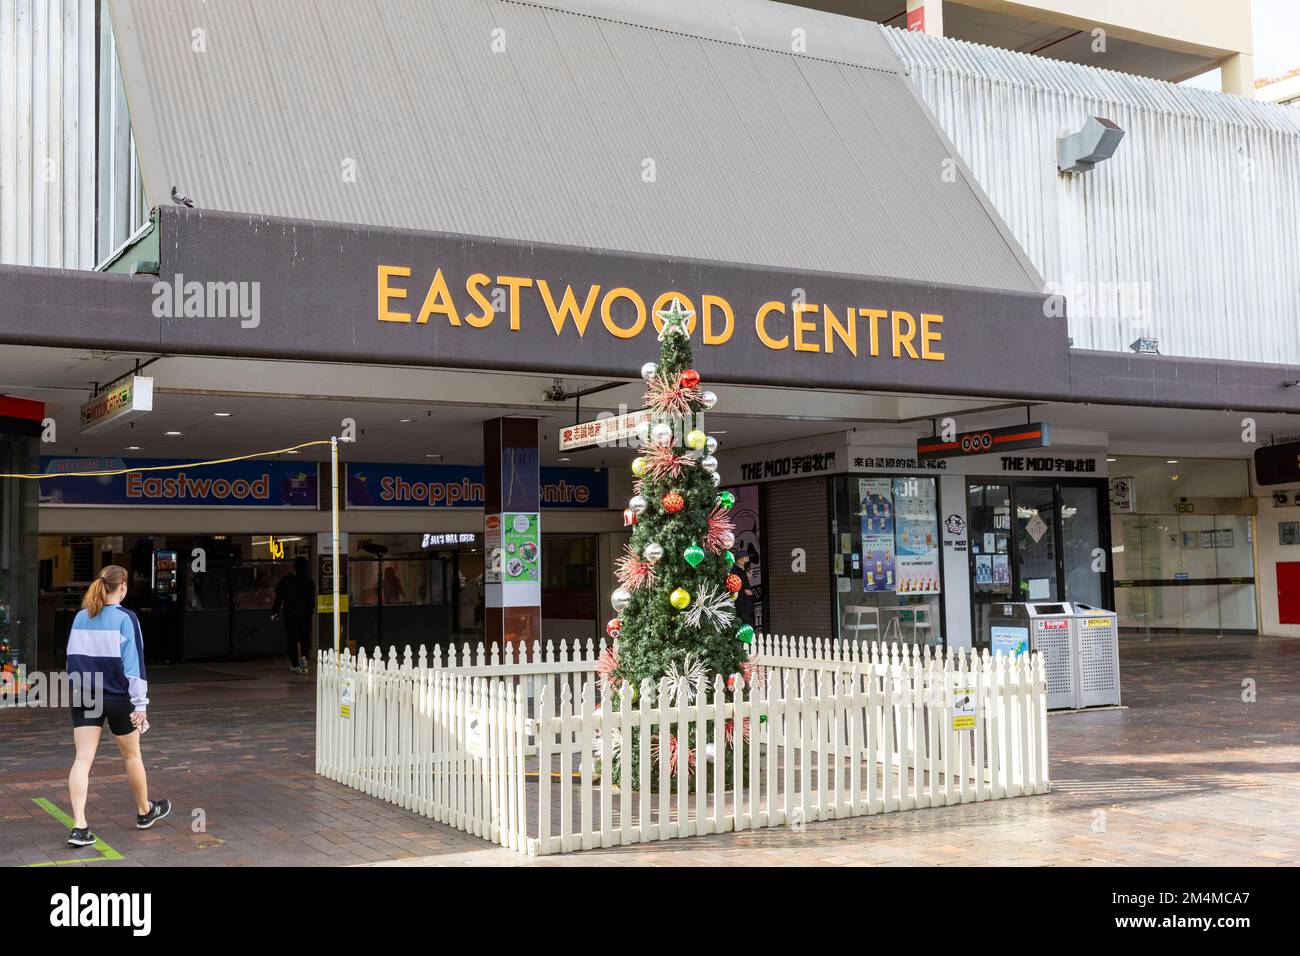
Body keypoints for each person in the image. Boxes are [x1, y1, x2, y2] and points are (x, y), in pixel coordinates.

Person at [64, 565, 171, 848]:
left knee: (82, 759)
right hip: (119, 696)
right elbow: (134, 666)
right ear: (122, 585)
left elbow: (71, 660)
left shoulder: (80, 617)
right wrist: (141, 705)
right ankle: (144, 811)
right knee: (132, 756)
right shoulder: (127, 618)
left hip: (85, 694)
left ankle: (79, 827)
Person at [272, 556, 316, 674]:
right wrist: (309, 613)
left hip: (290, 615)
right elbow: (311, 601)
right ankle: (304, 661)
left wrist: (274, 612)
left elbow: (279, 598)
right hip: (305, 616)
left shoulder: (286, 581)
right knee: (304, 639)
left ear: (294, 567)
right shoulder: (309, 582)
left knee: (292, 639)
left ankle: (295, 664)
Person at [730, 553, 757, 629]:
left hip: (747, 605)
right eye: (746, 557)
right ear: (740, 559)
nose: (748, 559)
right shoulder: (734, 571)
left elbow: (743, 584)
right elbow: (732, 586)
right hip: (741, 605)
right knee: (748, 627)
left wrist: (748, 578)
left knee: (750, 626)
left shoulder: (742, 571)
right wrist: (744, 591)